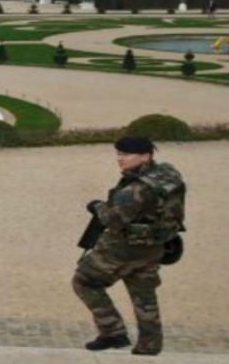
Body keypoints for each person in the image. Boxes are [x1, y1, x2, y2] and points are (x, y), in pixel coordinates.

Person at [72, 137, 186, 356]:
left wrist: (98, 207)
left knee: (84, 281)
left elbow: (112, 220)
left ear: (145, 155)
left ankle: (112, 331)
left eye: (125, 154)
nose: (120, 159)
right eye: (119, 154)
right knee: (144, 296)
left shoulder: (137, 189)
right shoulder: (168, 175)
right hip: (155, 246)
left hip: (122, 248)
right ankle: (149, 345)